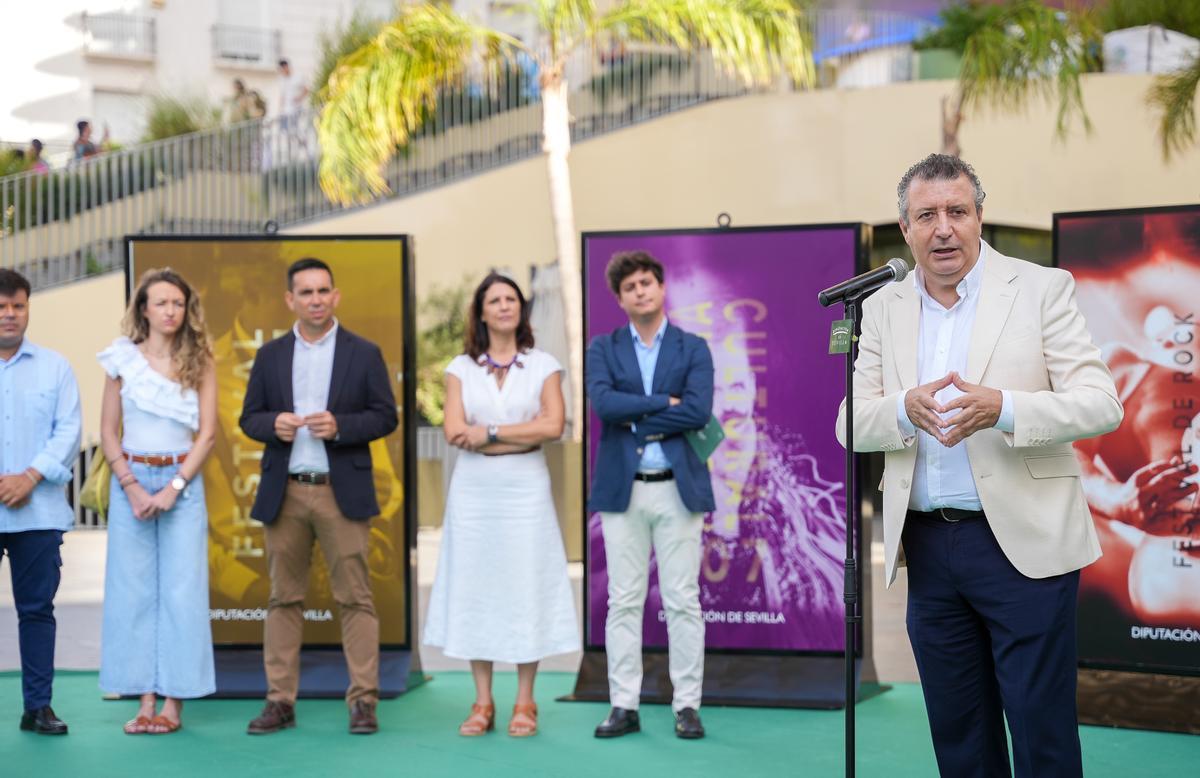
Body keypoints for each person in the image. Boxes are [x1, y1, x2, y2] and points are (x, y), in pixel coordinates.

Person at [835, 153, 1123, 777]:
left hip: (1026, 546)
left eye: (957, 212)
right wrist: (901, 410)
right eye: (927, 215)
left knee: (1041, 733)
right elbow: (848, 421)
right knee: (959, 736)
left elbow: (1102, 403)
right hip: (930, 551)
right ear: (905, 229)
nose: (943, 228)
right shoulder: (883, 307)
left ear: (979, 217)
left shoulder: (1041, 287)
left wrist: (1006, 408)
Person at [239, 257, 398, 736]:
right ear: (290, 300)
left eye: (323, 291)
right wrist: (275, 425)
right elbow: (250, 419)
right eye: (305, 292)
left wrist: (342, 427)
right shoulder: (269, 356)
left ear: (336, 296)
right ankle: (279, 701)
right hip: (285, 493)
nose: (315, 299)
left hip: (340, 493)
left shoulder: (363, 352)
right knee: (282, 598)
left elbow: (385, 416)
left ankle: (363, 701)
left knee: (356, 599)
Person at [424, 273, 579, 737]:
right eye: (495, 299)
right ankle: (483, 701)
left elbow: (553, 426)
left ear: (521, 308)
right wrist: (514, 433)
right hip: (473, 494)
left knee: (524, 584)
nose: (504, 306)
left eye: (512, 298)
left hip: (525, 490)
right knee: (478, 586)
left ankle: (526, 701)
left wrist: (490, 434)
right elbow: (455, 431)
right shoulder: (459, 368)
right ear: (482, 311)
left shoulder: (543, 364)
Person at [586, 250, 715, 740]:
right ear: (620, 299)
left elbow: (699, 412)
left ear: (661, 288)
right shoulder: (604, 348)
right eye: (630, 287)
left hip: (677, 492)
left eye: (647, 282)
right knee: (623, 600)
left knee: (683, 600)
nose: (640, 291)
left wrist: (634, 415)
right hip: (624, 492)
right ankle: (624, 705)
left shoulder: (692, 347)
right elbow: (603, 404)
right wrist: (665, 403)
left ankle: (687, 705)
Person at [97, 268, 217, 734]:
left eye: (178, 303)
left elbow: (207, 435)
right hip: (131, 477)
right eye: (161, 302)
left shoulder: (201, 359)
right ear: (142, 308)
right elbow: (108, 431)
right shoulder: (120, 360)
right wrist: (130, 485)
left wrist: (174, 488)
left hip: (181, 478)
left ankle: (173, 703)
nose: (170, 310)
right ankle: (143, 699)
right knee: (133, 591)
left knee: (182, 591)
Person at [0, 269, 82, 736]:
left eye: (18, 306)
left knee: (36, 611)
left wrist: (29, 477)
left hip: (38, 512)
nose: (10, 315)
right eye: (1, 308)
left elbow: (69, 431)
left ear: (28, 307)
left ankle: (38, 707)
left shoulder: (55, 367)